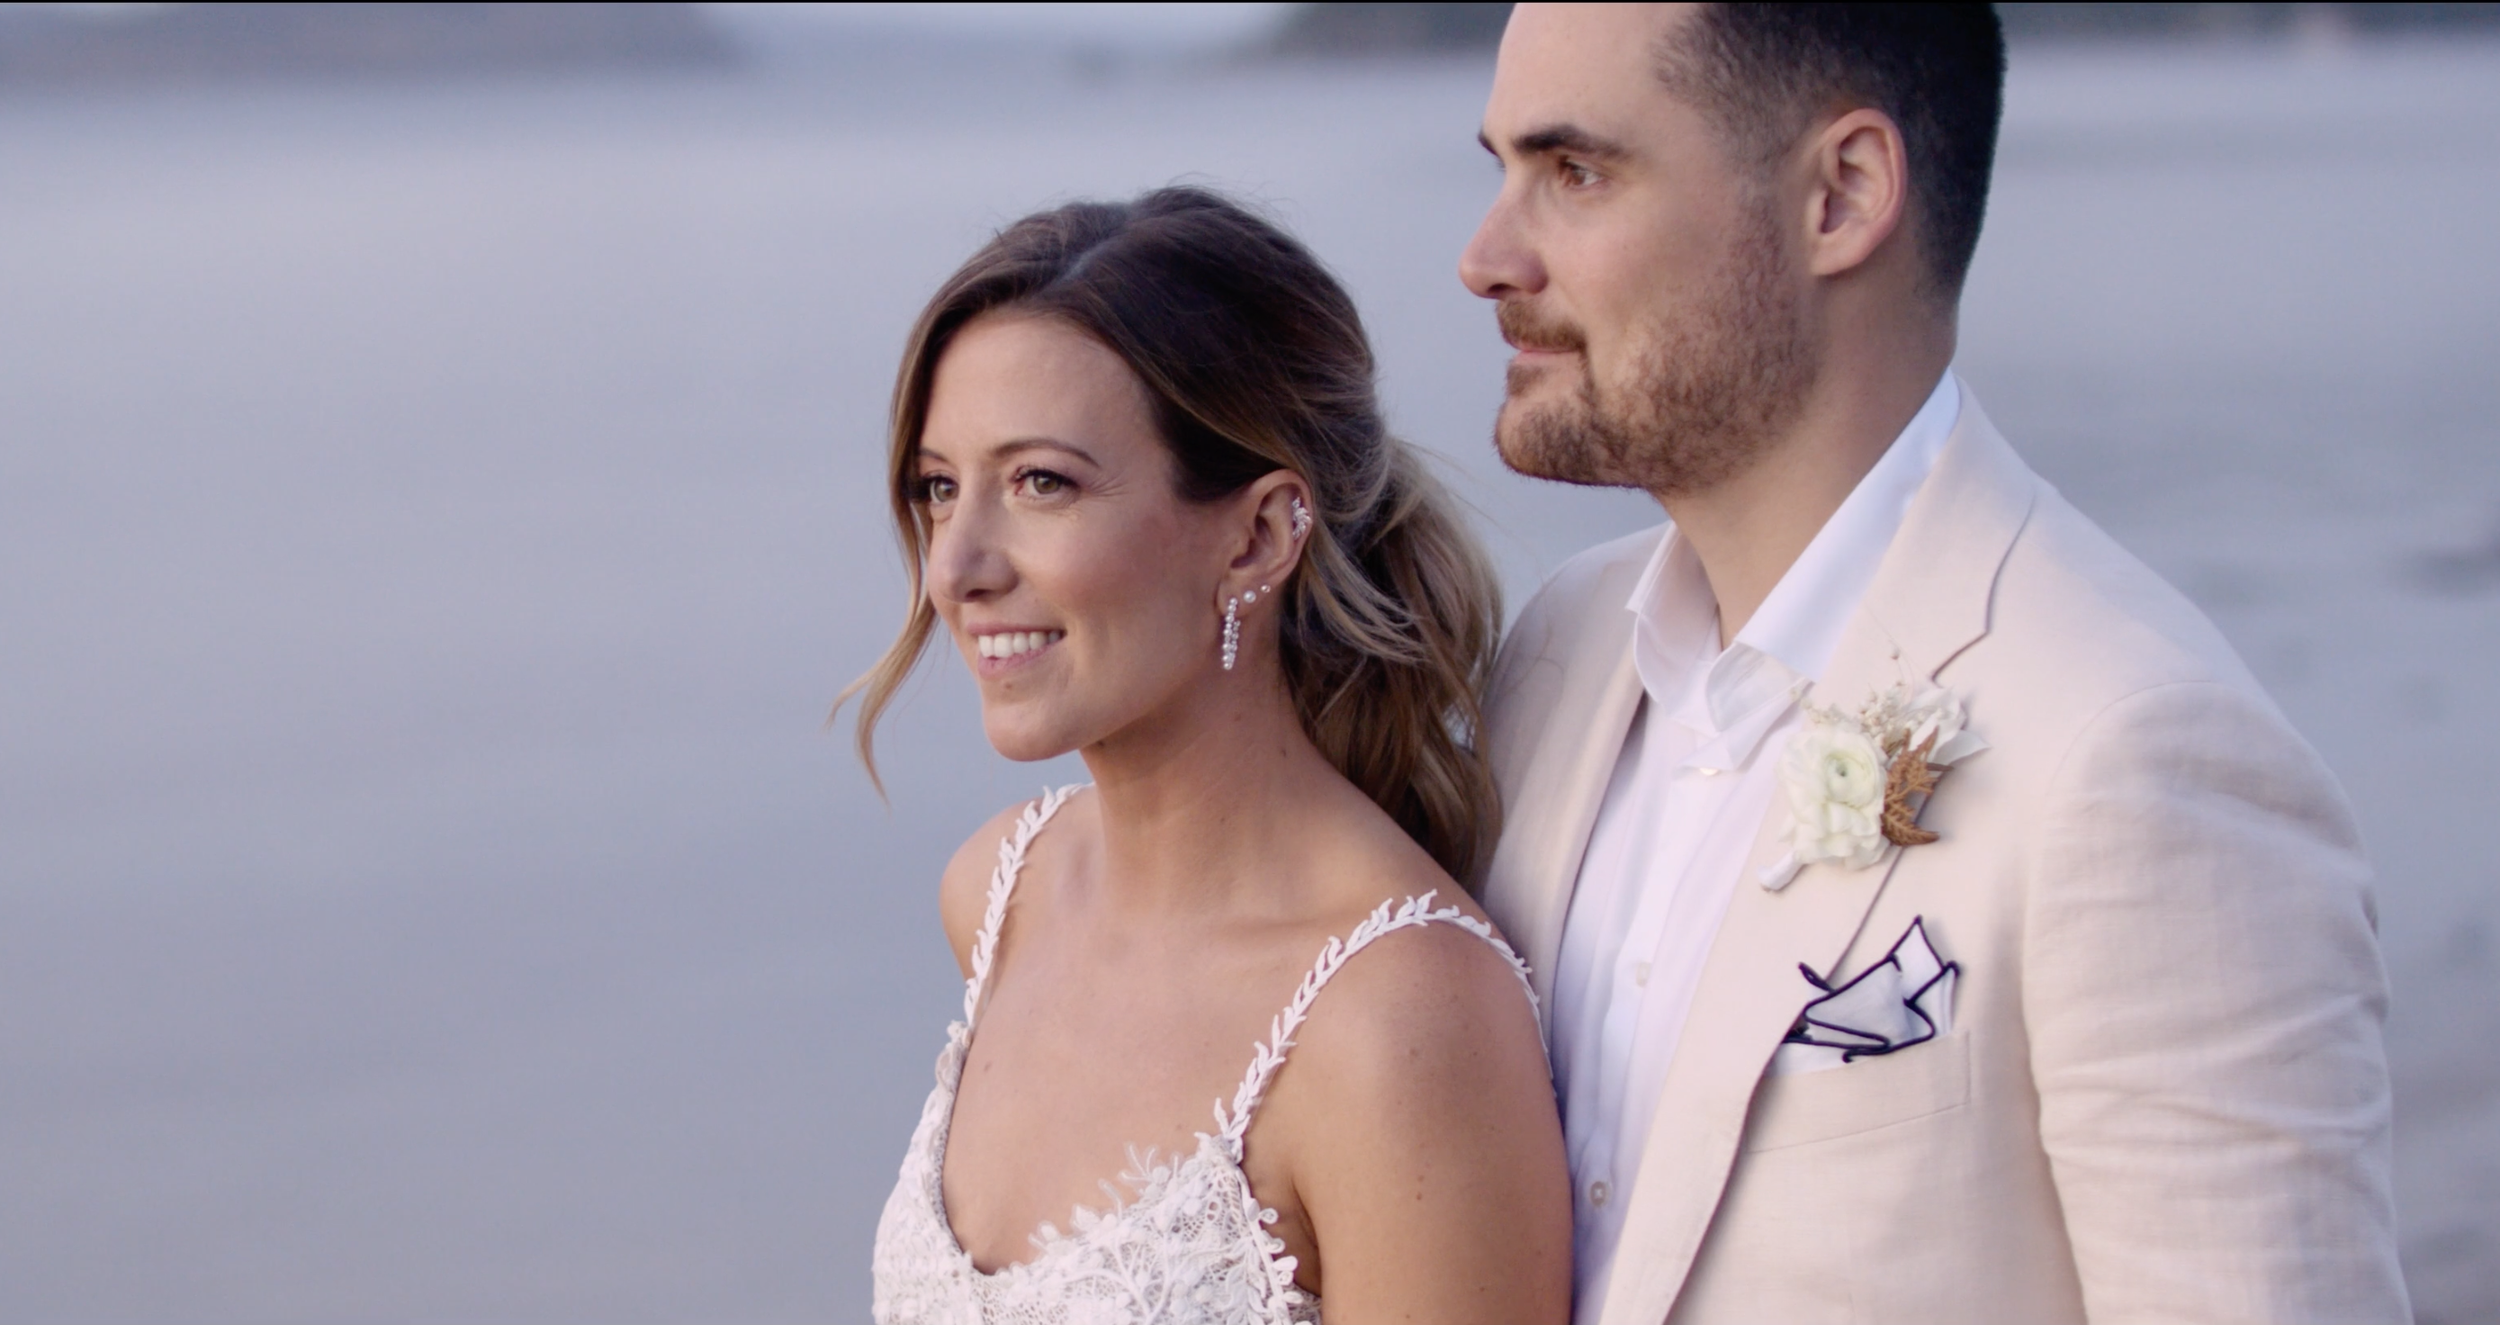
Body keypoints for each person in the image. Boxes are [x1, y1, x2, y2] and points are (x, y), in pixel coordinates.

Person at [1463, 5, 2410, 1324]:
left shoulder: (2135, 752)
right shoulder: (1553, 654)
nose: (1486, 257)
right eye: (1500, 169)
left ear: (1840, 197)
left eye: (1575, 173)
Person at [855, 187, 1572, 1324]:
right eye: (942, 488)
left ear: (1257, 533)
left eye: (1041, 481)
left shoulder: (1401, 1017)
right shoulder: (1001, 892)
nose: (957, 567)